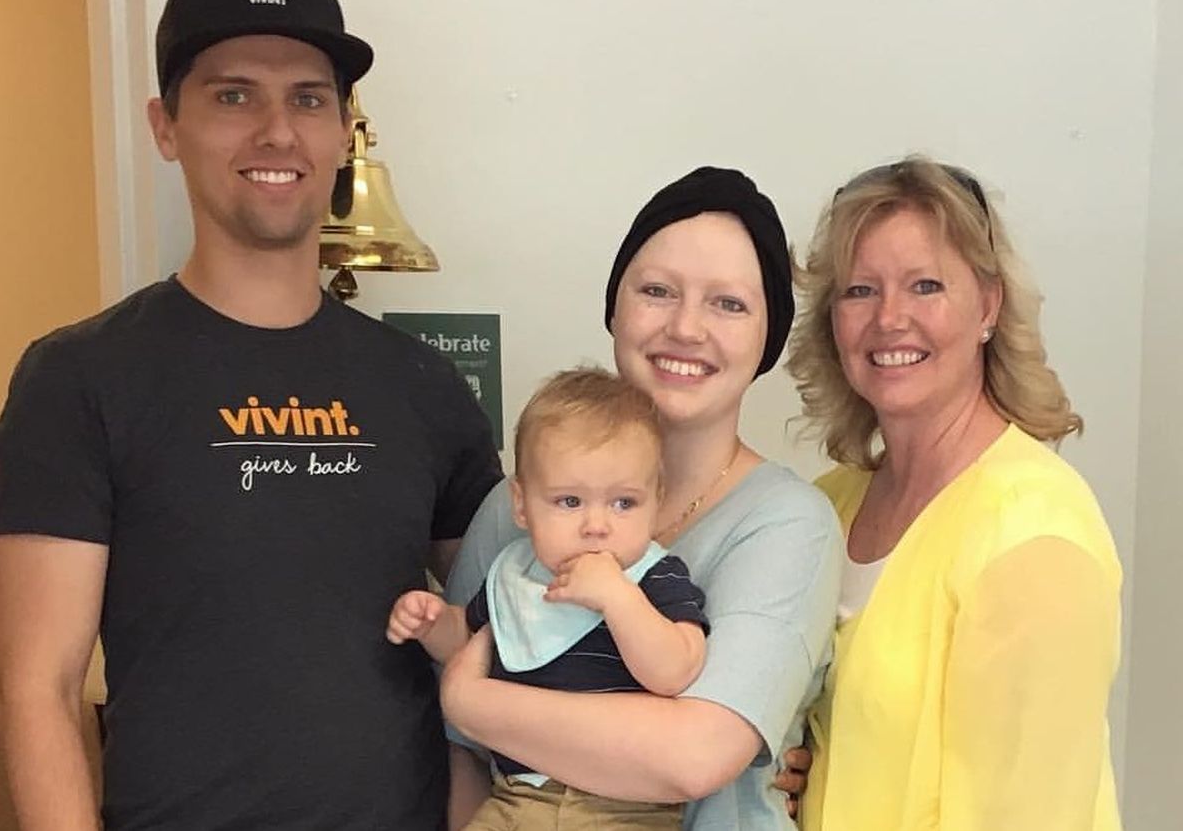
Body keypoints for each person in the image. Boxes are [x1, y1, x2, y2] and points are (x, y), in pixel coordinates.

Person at [0, 0, 500, 831]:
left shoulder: (424, 385)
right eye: (233, 96)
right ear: (165, 126)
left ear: (342, 129)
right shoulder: (77, 379)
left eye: (308, 98)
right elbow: (42, 690)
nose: (277, 132)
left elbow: (512, 633)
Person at [440, 166, 842, 830]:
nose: (686, 327)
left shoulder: (787, 525)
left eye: (729, 304)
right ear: (615, 308)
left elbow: (694, 756)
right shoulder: (511, 514)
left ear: (767, 337)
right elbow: (459, 756)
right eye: (657, 291)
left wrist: (474, 701)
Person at [785, 157, 1122, 830]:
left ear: (988, 305)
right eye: (860, 291)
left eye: (926, 285)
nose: (890, 318)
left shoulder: (1034, 529)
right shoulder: (824, 508)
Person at [390, 366, 709, 829]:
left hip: (626, 806)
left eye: (624, 503)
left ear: (657, 500)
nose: (596, 526)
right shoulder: (514, 574)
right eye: (569, 502)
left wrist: (618, 599)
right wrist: (433, 623)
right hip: (518, 797)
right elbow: (469, 644)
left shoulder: (653, 576)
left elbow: (675, 669)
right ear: (521, 506)